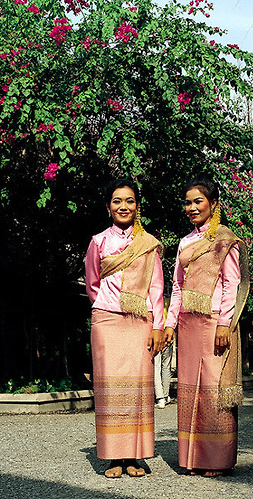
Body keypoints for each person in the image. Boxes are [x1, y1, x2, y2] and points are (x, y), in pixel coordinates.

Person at [164, 173, 249, 477]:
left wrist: (225, 324)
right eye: (187, 202)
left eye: (198, 201)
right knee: (189, 390)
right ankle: (191, 458)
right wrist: (169, 324)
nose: (191, 207)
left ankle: (217, 459)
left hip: (215, 321)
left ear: (213, 203)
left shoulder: (224, 240)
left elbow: (232, 283)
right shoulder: (185, 242)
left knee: (213, 388)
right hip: (188, 324)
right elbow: (176, 287)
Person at [85, 178, 164, 478]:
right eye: (117, 201)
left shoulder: (148, 243)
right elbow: (93, 283)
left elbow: (157, 288)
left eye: (129, 201)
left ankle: (135, 457)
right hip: (106, 321)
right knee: (109, 389)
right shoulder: (98, 241)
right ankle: (112, 457)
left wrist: (156, 325)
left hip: (139, 322)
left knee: (138, 390)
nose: (124, 206)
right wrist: (108, 305)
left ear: (137, 206)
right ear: (108, 207)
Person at [154, 299, 173, 408]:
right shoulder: (169, 299)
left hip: (158, 332)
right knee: (166, 366)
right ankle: (166, 395)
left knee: (157, 366)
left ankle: (160, 398)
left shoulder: (155, 299)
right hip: (168, 333)